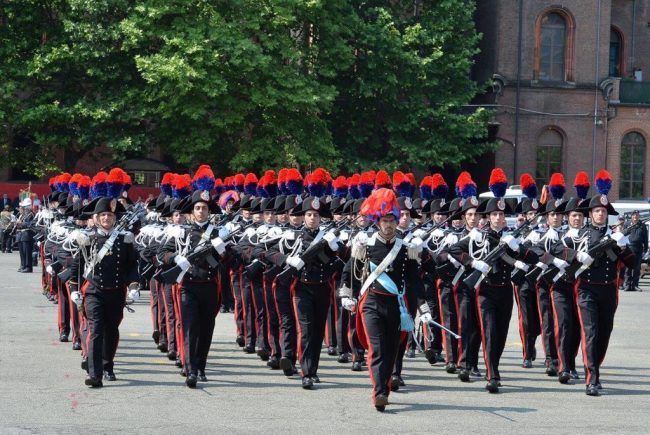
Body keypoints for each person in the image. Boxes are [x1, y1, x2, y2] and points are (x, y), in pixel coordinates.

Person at [339, 187, 427, 411]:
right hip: (371, 302)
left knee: (391, 350)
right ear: (378, 222)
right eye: (385, 220)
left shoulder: (406, 249)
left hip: (396, 305)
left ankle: (384, 386)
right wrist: (346, 294)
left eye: (392, 220)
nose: (388, 225)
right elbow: (350, 271)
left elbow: (415, 281)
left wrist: (424, 308)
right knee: (377, 349)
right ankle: (379, 392)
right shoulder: (365, 245)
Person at [161, 170, 229, 388]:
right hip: (188, 286)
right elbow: (162, 253)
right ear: (191, 212)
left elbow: (233, 260)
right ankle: (190, 369)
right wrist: (175, 257)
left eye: (205, 208)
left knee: (207, 328)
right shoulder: (181, 232)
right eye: (197, 208)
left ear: (209, 211)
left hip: (209, 286)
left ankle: (200, 367)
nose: (201, 212)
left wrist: (223, 250)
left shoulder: (217, 232)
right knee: (190, 328)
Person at [573, 170, 636, 396]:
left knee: (604, 332)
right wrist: (579, 256)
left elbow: (632, 264)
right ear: (590, 213)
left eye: (603, 211)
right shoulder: (580, 234)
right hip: (587, 289)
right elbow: (566, 255)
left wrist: (622, 245)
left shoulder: (615, 235)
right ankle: (592, 379)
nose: (600, 214)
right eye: (597, 210)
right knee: (590, 332)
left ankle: (595, 368)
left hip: (608, 290)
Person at [68, 196, 140, 387]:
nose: (106, 218)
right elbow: (77, 266)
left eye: (109, 215)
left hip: (116, 291)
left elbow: (131, 266)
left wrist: (133, 286)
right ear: (97, 218)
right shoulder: (87, 238)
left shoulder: (125, 239)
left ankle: (108, 365)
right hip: (94, 291)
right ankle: (95, 373)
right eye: (103, 215)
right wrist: (74, 289)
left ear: (114, 218)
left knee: (111, 331)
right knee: (96, 330)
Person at [623, 210, 648, 292]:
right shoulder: (627, 224)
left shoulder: (642, 226)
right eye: (634, 215)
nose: (635, 217)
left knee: (637, 268)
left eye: (637, 215)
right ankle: (627, 285)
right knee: (628, 268)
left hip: (638, 249)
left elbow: (645, 238)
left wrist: (646, 249)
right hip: (629, 249)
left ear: (639, 216)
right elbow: (623, 235)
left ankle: (635, 285)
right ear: (631, 216)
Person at [15, 198, 35, 272]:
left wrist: (21, 223)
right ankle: (23, 265)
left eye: (25, 207)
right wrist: (18, 224)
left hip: (27, 235)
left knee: (27, 252)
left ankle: (28, 267)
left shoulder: (31, 214)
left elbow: (31, 224)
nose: (24, 208)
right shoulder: (25, 214)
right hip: (22, 234)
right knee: (22, 252)